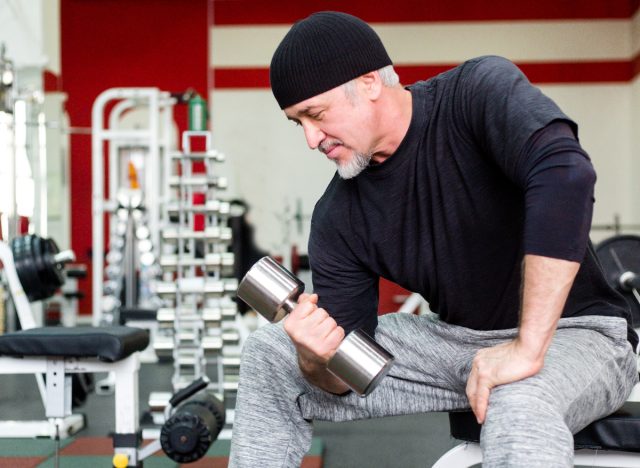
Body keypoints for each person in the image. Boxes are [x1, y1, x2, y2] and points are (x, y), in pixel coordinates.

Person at [229, 11, 639, 467]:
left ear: (368, 83)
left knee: (516, 398)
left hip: (575, 335)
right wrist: (313, 357)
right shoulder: (339, 215)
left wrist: (527, 347)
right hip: (456, 343)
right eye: (297, 122)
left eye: (316, 115)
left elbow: (568, 176)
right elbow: (346, 377)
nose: (310, 138)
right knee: (270, 353)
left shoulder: (475, 93)